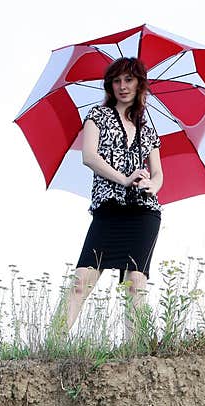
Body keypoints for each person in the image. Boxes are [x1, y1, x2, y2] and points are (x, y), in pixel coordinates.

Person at [59, 56, 164, 341]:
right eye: (116, 81)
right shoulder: (98, 116)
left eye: (129, 79)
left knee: (135, 283)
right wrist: (124, 178)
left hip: (144, 213)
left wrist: (151, 185)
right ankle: (51, 345)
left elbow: (159, 175)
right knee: (81, 281)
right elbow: (89, 157)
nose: (122, 86)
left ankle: (134, 352)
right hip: (108, 209)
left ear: (140, 83)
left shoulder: (148, 128)